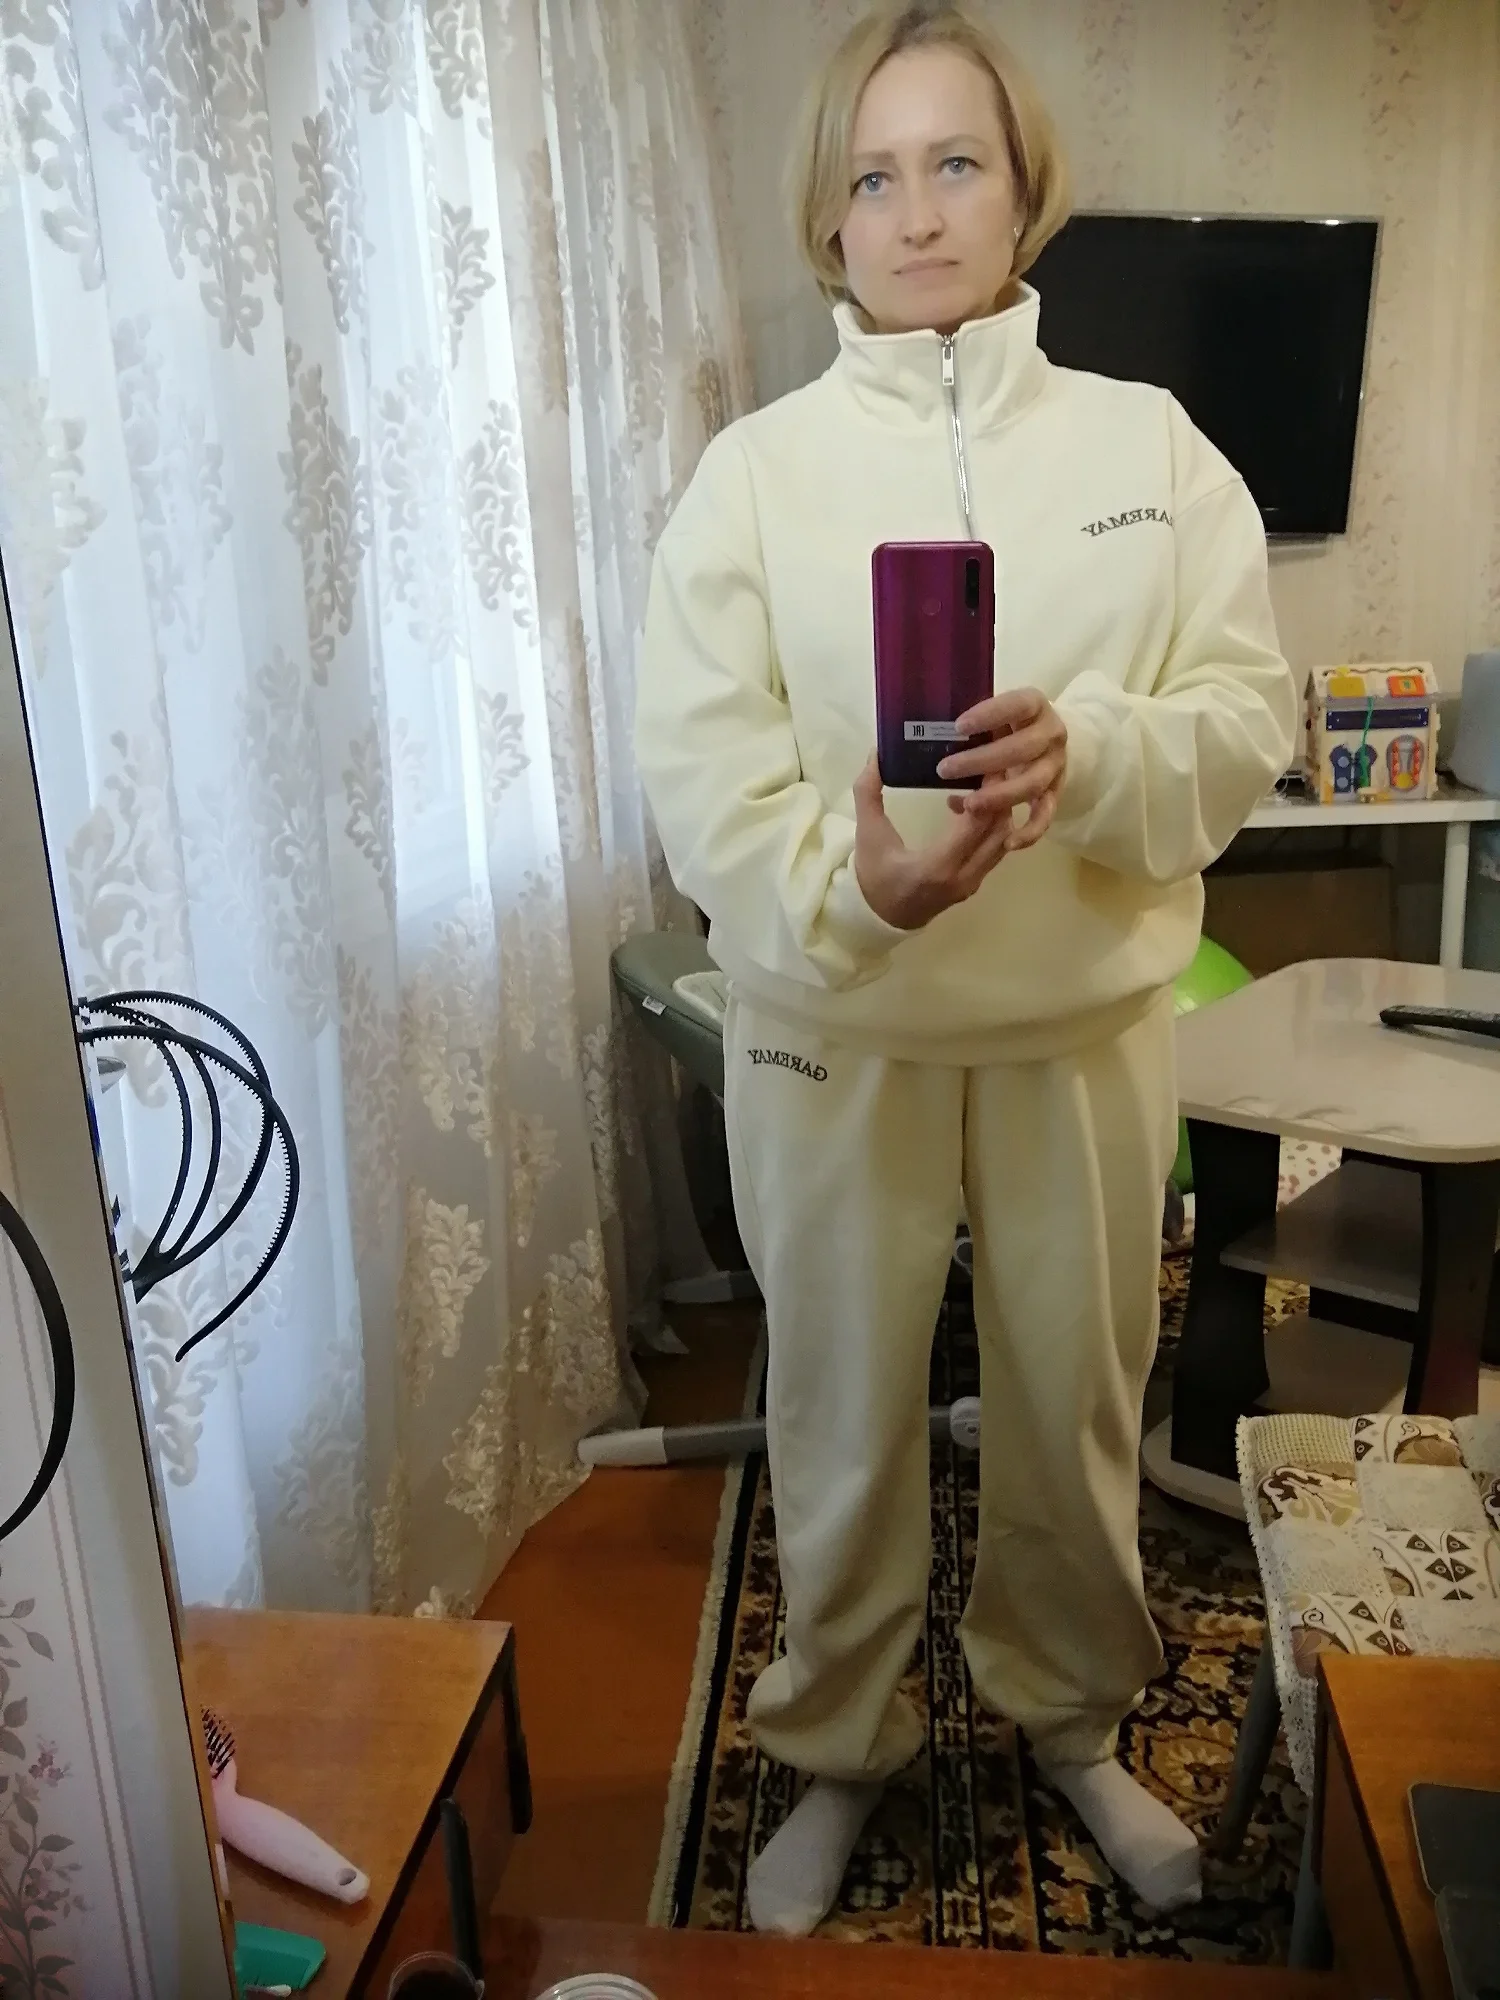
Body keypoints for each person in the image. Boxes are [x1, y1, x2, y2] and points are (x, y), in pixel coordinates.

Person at [636, 0, 1297, 1939]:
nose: (916, 213)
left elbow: (1244, 718)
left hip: (1080, 1034)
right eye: (873, 175)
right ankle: (839, 1742)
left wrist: (1093, 753)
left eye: (955, 164)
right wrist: (852, 892)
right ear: (828, 217)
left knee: (1077, 1401)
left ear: (1023, 194)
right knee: (839, 1410)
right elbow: (706, 779)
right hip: (832, 1031)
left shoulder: (1152, 451)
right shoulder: (751, 480)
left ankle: (1072, 1722)